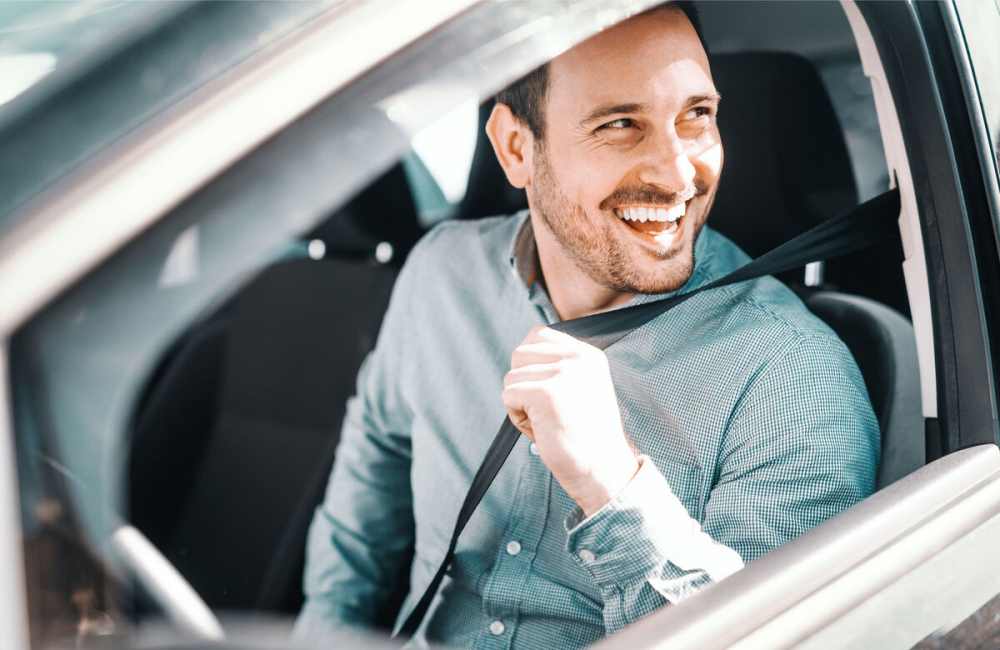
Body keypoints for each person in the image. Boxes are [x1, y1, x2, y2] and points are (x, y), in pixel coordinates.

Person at [295, 3, 879, 648]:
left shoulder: (791, 372)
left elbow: (765, 638)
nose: (679, 172)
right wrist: (327, 631)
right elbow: (375, 460)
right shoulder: (440, 275)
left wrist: (611, 482)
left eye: (697, 116)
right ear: (516, 148)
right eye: (621, 125)